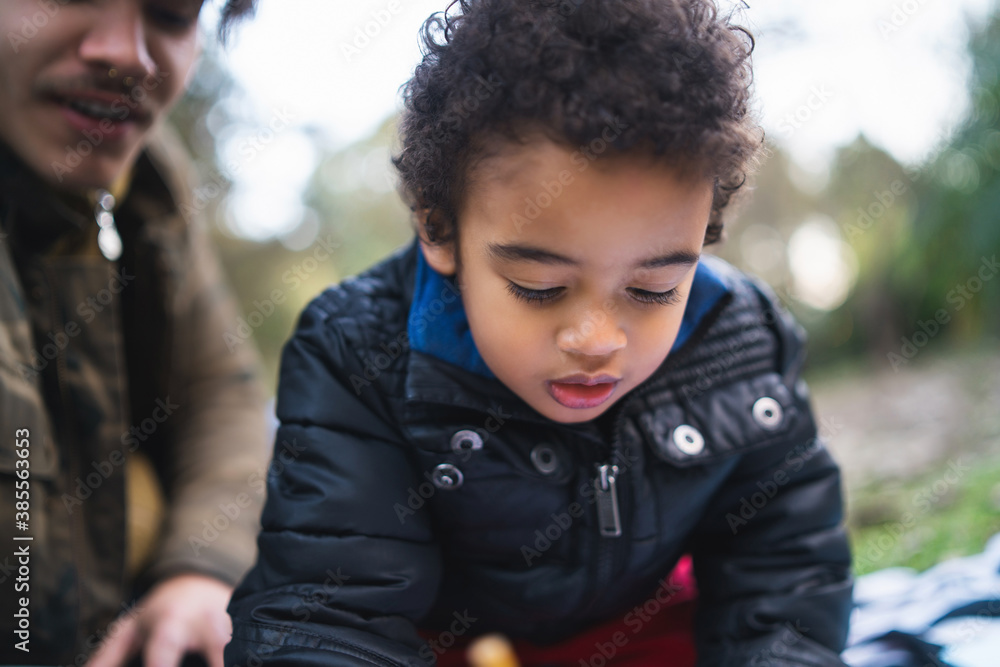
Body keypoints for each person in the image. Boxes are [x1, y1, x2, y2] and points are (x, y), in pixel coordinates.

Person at [226, 0, 854, 665]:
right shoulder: (357, 355)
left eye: (652, 290)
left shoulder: (741, 339)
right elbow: (332, 617)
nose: (596, 338)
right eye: (539, 287)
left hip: (637, 628)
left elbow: (786, 574)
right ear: (439, 227)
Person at [0, 1, 270, 665]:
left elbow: (221, 395)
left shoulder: (146, 186)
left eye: (173, 15)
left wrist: (199, 571)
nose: (128, 53)